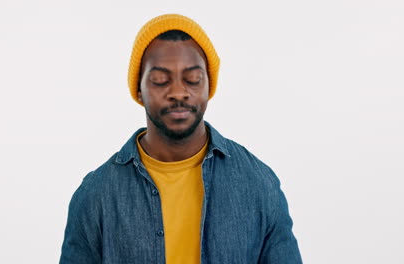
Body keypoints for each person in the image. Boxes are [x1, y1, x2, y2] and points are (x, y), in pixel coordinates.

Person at [59, 14, 302, 264]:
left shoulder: (259, 183)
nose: (178, 92)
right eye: (160, 80)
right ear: (139, 90)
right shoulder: (96, 195)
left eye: (193, 79)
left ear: (209, 86)